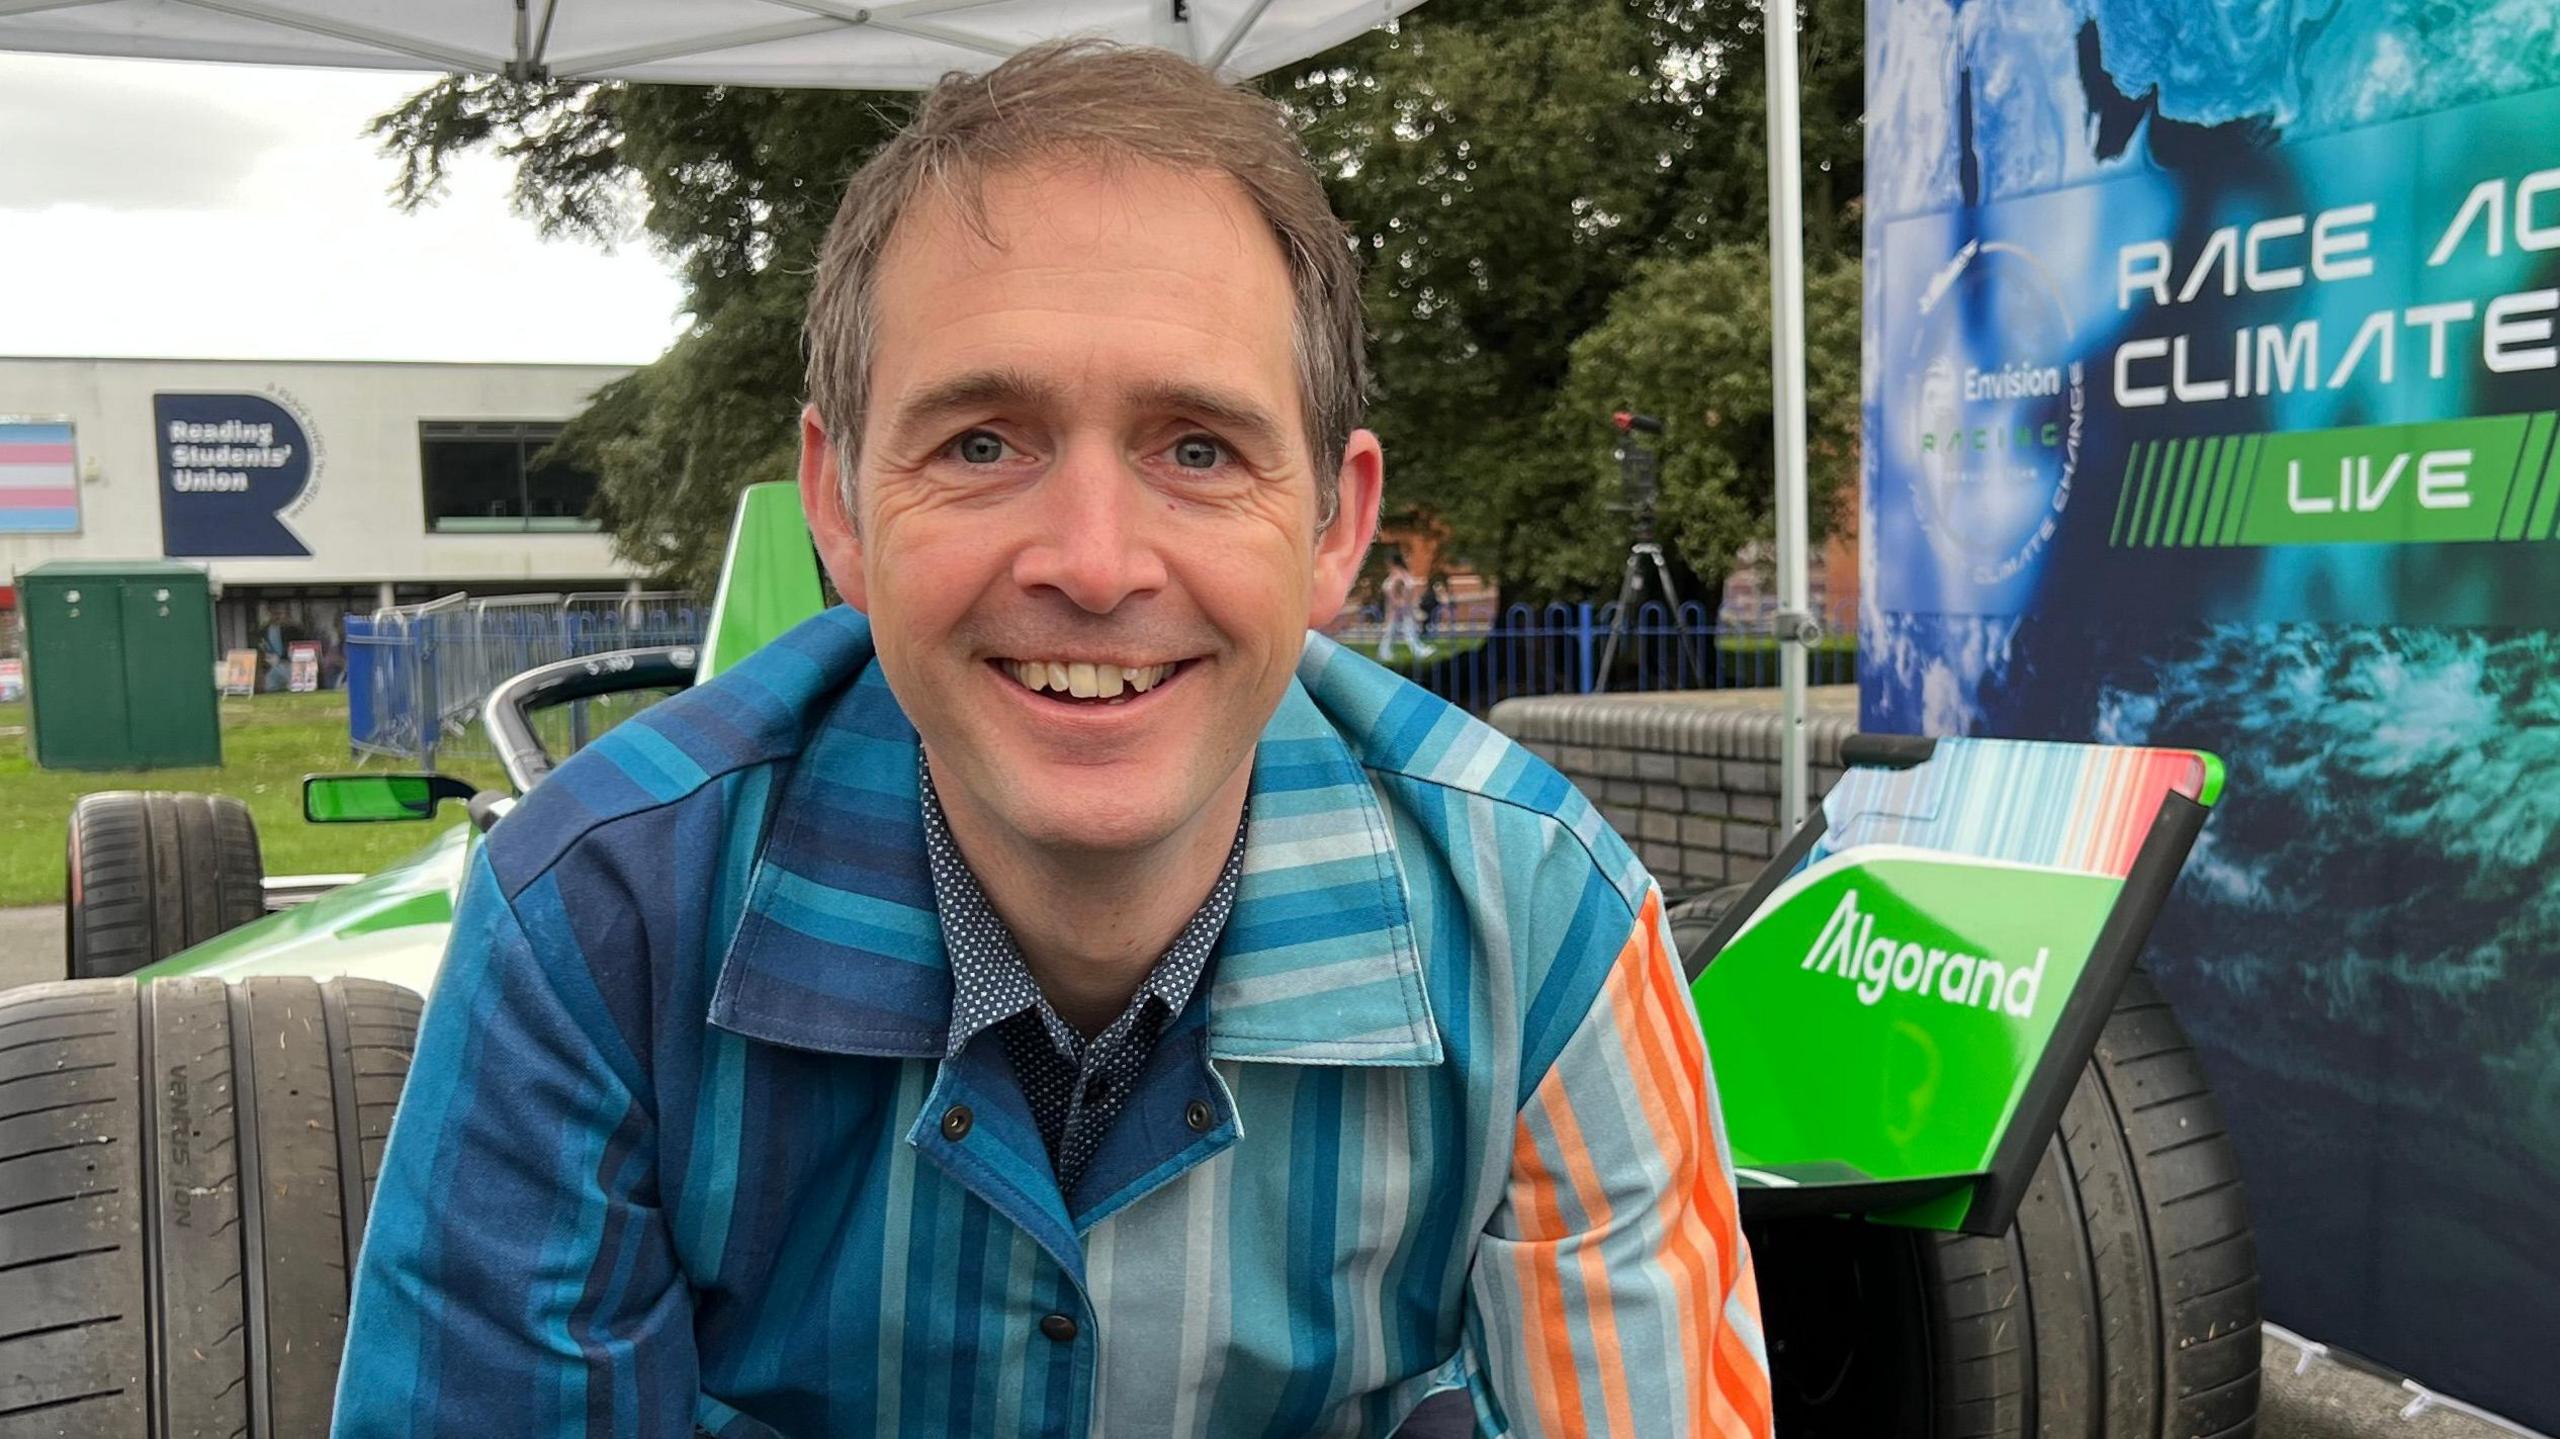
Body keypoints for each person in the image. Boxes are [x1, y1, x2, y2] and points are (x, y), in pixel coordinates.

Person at [337, 40, 1767, 1439]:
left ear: (1335, 521)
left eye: (1198, 449)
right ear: (838, 503)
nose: (1093, 561)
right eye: (982, 443)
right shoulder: (593, 923)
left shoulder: (1549, 933)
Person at [1377, 549, 1436, 662]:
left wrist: (1399, 603)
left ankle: (1386, 652)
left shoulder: (1398, 574)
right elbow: (1397, 589)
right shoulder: (1400, 574)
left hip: (1400, 607)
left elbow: (1397, 589)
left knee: (1402, 631)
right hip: (1398, 608)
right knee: (1396, 631)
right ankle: (1386, 652)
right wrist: (1398, 603)